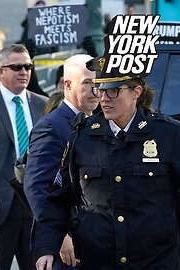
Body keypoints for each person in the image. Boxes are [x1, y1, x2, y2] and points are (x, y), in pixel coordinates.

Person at [34, 60, 179, 269]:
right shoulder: (83, 136)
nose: (103, 98)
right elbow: (59, 198)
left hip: (155, 260)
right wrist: (47, 247)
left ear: (136, 92)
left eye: (113, 91)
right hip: (98, 260)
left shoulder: (168, 135)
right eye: (99, 89)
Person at [0, 43, 48, 270]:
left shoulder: (42, 104)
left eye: (27, 66)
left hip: (36, 204)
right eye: (16, 67)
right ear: (1, 71)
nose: (23, 72)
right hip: (0, 204)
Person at [24, 55, 98, 270]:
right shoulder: (51, 126)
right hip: (65, 245)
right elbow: (37, 187)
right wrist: (60, 235)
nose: (95, 89)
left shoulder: (98, 121)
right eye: (87, 83)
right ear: (67, 85)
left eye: (97, 82)